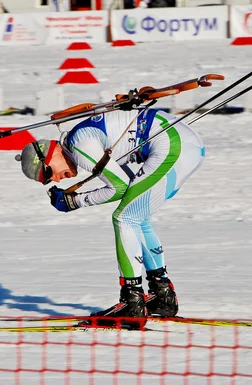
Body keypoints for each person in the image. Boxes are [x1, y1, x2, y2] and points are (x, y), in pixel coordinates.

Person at [14, 107, 205, 328]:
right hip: (186, 144)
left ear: (50, 154)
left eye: (47, 173)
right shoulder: (82, 139)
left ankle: (132, 302)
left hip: (173, 145)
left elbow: (119, 187)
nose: (56, 180)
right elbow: (126, 183)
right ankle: (162, 294)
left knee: (124, 218)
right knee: (137, 217)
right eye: (48, 181)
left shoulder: (78, 145)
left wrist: (75, 201)